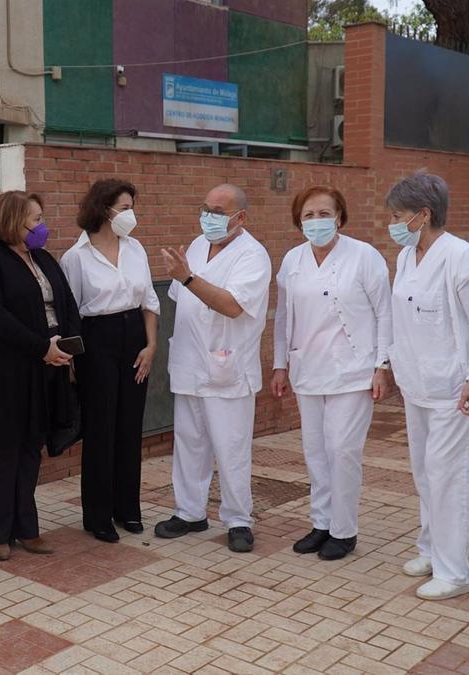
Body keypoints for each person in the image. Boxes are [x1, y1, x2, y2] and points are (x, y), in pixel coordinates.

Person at [384, 172, 469, 601]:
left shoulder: (462, 258)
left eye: (398, 216)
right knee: (425, 474)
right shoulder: (406, 258)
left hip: (456, 387)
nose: (392, 224)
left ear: (422, 215)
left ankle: (455, 572)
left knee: (449, 477)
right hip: (419, 385)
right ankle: (430, 550)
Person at [270, 186, 391, 562]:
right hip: (308, 368)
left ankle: (344, 530)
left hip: (353, 369)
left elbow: (385, 312)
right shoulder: (292, 260)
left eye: (325, 214)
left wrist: (382, 365)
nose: (316, 221)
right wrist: (279, 363)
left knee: (342, 450)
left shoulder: (364, 256)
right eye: (308, 215)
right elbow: (284, 316)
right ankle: (321, 524)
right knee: (315, 451)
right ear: (298, 221)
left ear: (339, 217)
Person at [0, 191, 79, 561]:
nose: (42, 227)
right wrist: (39, 346)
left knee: (31, 448)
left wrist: (68, 348)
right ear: (12, 221)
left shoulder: (42, 258)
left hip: (46, 367)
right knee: (5, 449)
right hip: (4, 373)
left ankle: (27, 528)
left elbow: (66, 303)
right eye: (36, 219)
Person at [154, 184, 272, 554]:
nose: (210, 216)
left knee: (231, 447)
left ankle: (238, 519)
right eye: (206, 208)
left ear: (241, 217)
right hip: (190, 361)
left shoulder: (253, 255)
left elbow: (234, 306)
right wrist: (185, 277)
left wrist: (188, 277)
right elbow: (182, 302)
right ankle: (189, 512)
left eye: (219, 211)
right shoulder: (196, 245)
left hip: (227, 365)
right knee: (189, 443)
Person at [59, 179, 159, 543]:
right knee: (101, 428)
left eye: (133, 206)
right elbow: (71, 314)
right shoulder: (76, 257)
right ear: (103, 209)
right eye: (124, 207)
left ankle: (127, 509)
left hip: (135, 336)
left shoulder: (136, 249)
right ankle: (97, 515)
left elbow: (150, 301)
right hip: (96, 340)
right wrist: (71, 363)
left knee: (130, 426)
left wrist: (150, 346)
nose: (130, 214)